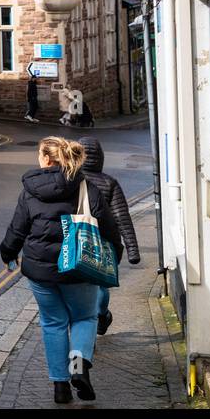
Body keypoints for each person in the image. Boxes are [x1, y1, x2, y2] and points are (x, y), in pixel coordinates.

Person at [0, 136, 122, 404]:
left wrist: (7, 254)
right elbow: (110, 230)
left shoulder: (30, 190)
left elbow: (17, 230)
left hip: (41, 271)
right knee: (84, 318)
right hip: (79, 268)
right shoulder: (86, 188)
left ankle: (60, 388)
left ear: (45, 158)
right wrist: (115, 258)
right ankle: (78, 368)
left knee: (53, 324)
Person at [79, 137, 139, 335]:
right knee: (100, 285)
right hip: (103, 244)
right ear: (100, 158)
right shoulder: (109, 183)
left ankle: (85, 329)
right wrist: (132, 250)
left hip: (76, 242)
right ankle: (101, 316)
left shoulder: (70, 180)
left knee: (79, 287)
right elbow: (122, 217)